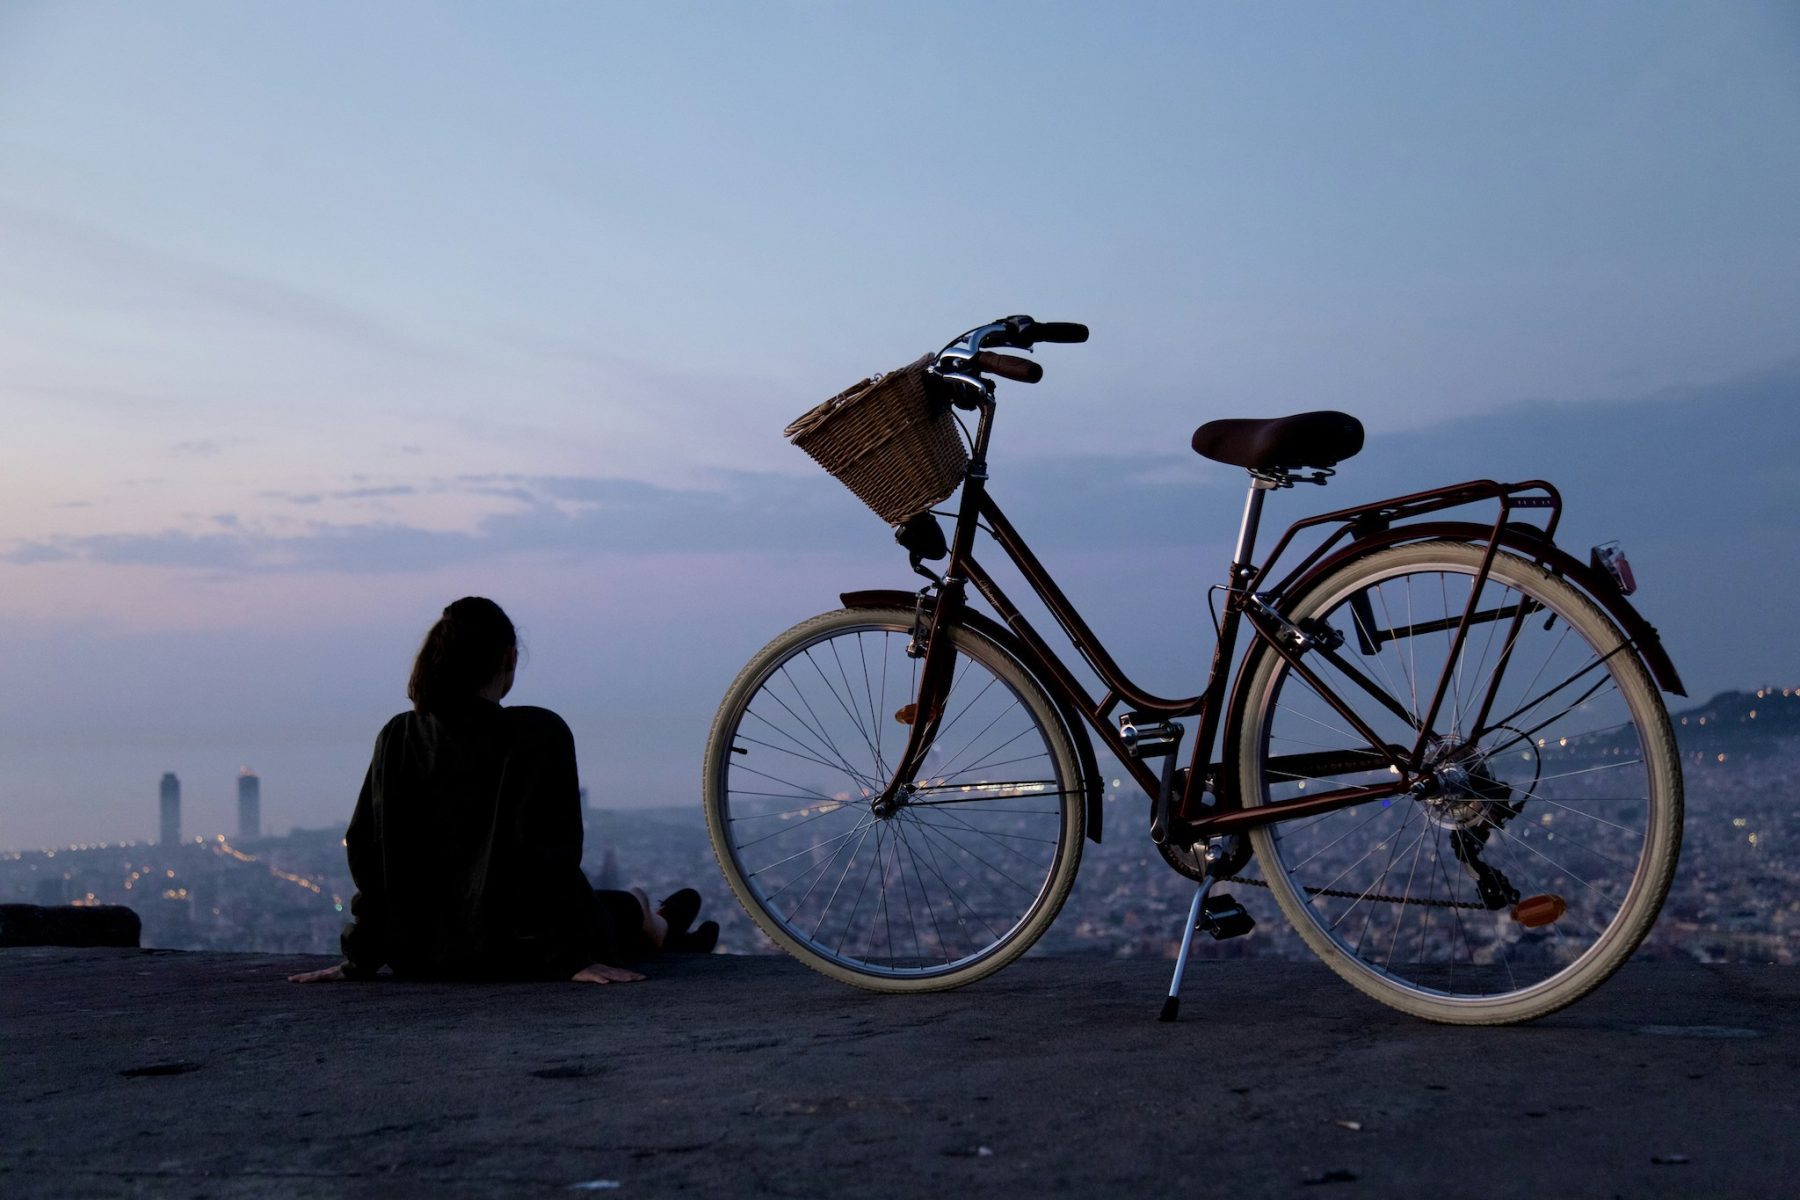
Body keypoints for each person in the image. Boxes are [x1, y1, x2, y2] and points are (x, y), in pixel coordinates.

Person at [289, 597, 714, 986]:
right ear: (509, 659)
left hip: (420, 955)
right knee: (622, 907)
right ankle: (655, 922)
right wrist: (568, 959)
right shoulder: (538, 732)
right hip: (518, 953)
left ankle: (661, 922)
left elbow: (368, 852)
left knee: (613, 906)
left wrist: (360, 957)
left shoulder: (399, 736)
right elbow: (552, 859)